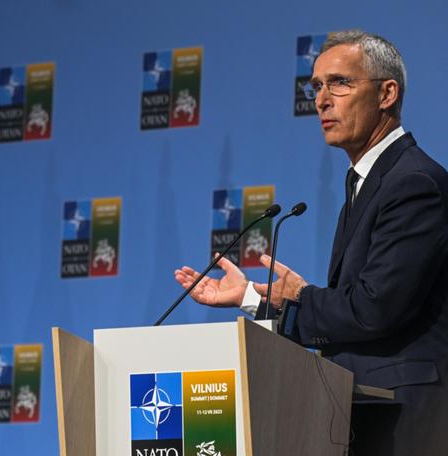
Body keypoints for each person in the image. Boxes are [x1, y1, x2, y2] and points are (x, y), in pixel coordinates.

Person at [175, 30, 448, 455]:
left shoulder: (412, 182)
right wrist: (252, 296)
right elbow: (348, 313)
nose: (321, 100)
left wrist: (299, 296)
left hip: (407, 423)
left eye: (339, 83)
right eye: (316, 86)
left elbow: (373, 309)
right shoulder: (367, 183)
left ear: (387, 93)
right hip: (366, 418)